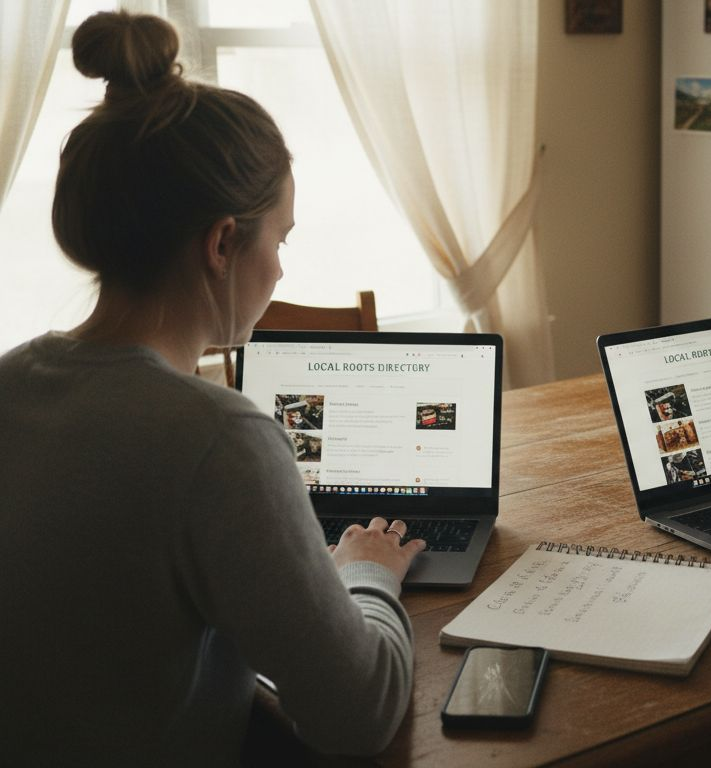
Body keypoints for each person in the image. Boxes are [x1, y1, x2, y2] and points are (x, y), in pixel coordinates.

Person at [0, 11, 427, 764]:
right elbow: (360, 717)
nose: (284, 268)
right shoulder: (218, 436)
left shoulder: (10, 383)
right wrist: (365, 571)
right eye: (282, 238)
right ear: (223, 242)